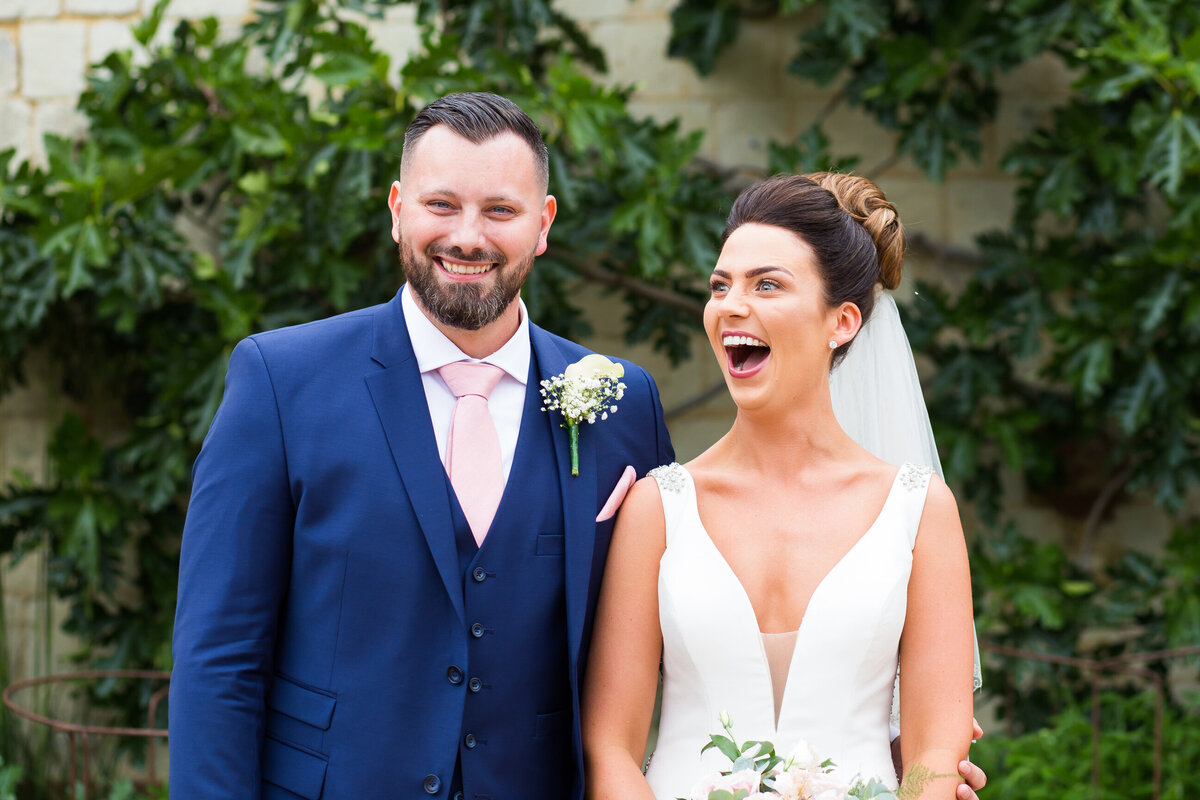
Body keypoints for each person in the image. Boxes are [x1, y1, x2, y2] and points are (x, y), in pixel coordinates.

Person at [168, 92, 673, 800]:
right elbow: (218, 659)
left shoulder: (623, 403)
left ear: (544, 223)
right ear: (398, 208)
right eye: (441, 205)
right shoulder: (279, 382)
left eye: (500, 210)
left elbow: (664, 644)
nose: (468, 237)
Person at [582, 173, 979, 800]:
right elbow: (611, 747)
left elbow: (935, 749)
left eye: (767, 284)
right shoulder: (658, 508)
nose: (731, 305)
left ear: (842, 322)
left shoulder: (918, 511)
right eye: (721, 285)